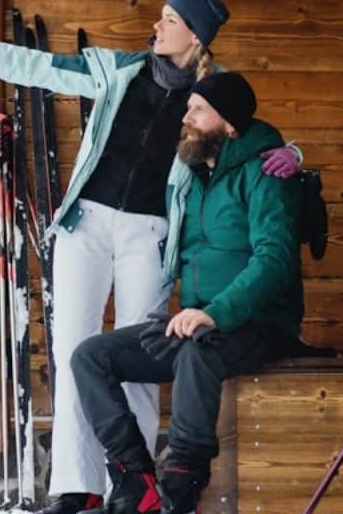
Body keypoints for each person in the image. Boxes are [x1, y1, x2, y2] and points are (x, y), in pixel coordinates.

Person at [0, 0, 302, 514]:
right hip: (84, 224)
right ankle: (78, 484)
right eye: (161, 17)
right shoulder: (118, 69)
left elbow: (248, 134)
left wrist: (292, 152)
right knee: (75, 346)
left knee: (139, 350)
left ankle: (133, 491)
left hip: (152, 233)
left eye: (171, 20)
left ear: (197, 36)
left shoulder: (212, 92)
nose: (157, 27)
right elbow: (36, 65)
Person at [70, 72, 304, 514]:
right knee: (91, 357)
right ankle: (135, 482)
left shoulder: (265, 173)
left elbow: (274, 260)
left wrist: (215, 313)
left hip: (256, 324)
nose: (187, 116)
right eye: (188, 107)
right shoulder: (194, 176)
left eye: (198, 109)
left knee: (198, 352)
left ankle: (181, 487)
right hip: (200, 323)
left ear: (230, 125)